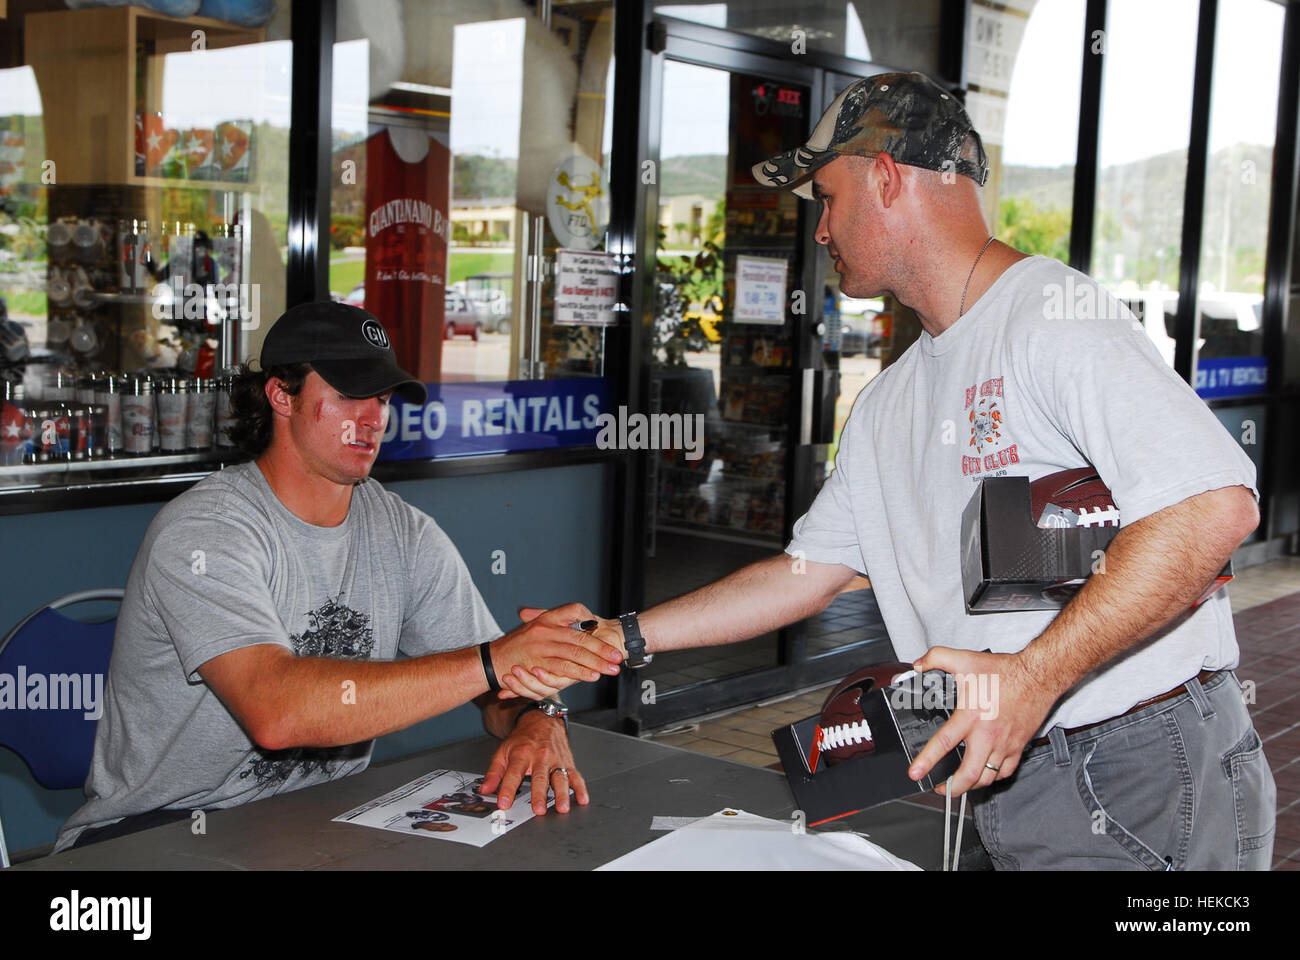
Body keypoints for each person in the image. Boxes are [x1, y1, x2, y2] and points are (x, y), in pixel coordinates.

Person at [500, 72, 1276, 870]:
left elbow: (1212, 509)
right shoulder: (890, 400)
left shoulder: (1051, 318)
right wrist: (620, 638)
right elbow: (809, 574)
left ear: (885, 176)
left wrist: (1032, 679)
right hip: (1009, 762)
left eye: (828, 200)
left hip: (1138, 762)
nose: (822, 231)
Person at [54, 301, 622, 853]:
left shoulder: (403, 532)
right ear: (281, 394)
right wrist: (495, 659)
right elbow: (275, 712)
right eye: (350, 395)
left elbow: (498, 687)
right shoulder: (205, 530)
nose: (374, 418)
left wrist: (535, 717)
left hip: (314, 823)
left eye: (382, 397)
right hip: (157, 832)